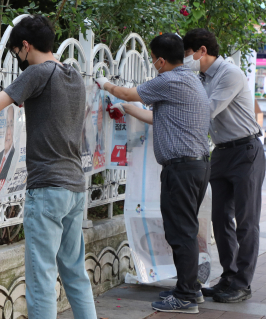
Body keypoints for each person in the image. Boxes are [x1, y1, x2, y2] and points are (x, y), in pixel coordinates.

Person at [0, 15, 97, 319]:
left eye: (17, 52)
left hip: (46, 190)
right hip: (74, 187)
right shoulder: (73, 76)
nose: (18, 57)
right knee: (74, 272)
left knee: (41, 278)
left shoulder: (36, 73)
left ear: (26, 46)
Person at [96, 33, 211, 313]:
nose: (151, 63)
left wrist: (104, 84)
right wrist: (127, 109)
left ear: (160, 61)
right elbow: (156, 117)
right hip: (196, 165)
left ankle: (184, 296)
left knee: (180, 231)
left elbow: (126, 92)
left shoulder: (168, 80)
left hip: (181, 169)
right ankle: (190, 289)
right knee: (185, 229)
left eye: (152, 59)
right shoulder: (190, 80)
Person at [182, 29, 265, 303]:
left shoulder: (230, 73)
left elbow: (206, 110)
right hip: (221, 152)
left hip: (246, 151)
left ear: (201, 51)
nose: (187, 60)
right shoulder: (201, 77)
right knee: (220, 218)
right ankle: (228, 278)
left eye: (188, 54)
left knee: (246, 222)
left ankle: (242, 283)